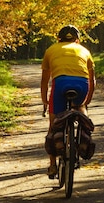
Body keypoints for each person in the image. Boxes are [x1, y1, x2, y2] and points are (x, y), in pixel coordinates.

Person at [41, 25, 95, 178]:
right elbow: (93, 80)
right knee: (80, 107)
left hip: (61, 84)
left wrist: (45, 101)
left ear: (59, 38)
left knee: (53, 124)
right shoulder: (84, 50)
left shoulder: (51, 50)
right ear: (77, 39)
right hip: (81, 84)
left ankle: (52, 165)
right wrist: (87, 100)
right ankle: (84, 135)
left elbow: (45, 81)